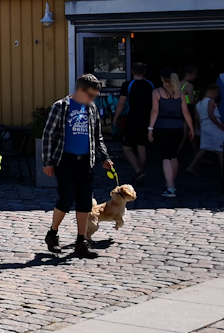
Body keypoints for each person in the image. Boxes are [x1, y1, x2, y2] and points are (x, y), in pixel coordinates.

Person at [42, 73, 115, 259]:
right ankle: (52, 233)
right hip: (65, 160)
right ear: (80, 90)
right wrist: (47, 162)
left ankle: (81, 241)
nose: (92, 99)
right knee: (65, 200)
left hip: (86, 161)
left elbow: (97, 136)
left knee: (85, 202)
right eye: (90, 95)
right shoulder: (61, 107)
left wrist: (104, 157)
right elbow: (48, 134)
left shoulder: (91, 109)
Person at [149, 69, 194, 199]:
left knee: (165, 157)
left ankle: (170, 187)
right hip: (177, 127)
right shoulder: (180, 93)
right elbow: (185, 112)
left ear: (162, 79)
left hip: (162, 127)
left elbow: (155, 111)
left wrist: (150, 128)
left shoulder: (157, 92)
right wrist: (191, 128)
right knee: (173, 155)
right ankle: (172, 183)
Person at [113, 62, 153, 183]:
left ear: (132, 72)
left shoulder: (128, 85)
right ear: (144, 72)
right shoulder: (150, 85)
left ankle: (138, 170)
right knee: (142, 146)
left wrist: (115, 118)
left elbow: (121, 103)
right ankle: (141, 170)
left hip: (132, 118)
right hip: (147, 118)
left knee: (127, 147)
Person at [187, 84, 224, 176]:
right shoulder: (211, 101)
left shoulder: (198, 104)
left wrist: (199, 127)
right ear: (210, 91)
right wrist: (221, 126)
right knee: (222, 147)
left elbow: (196, 118)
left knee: (204, 147)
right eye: (216, 92)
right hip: (213, 126)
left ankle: (191, 166)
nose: (217, 95)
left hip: (204, 126)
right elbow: (211, 115)